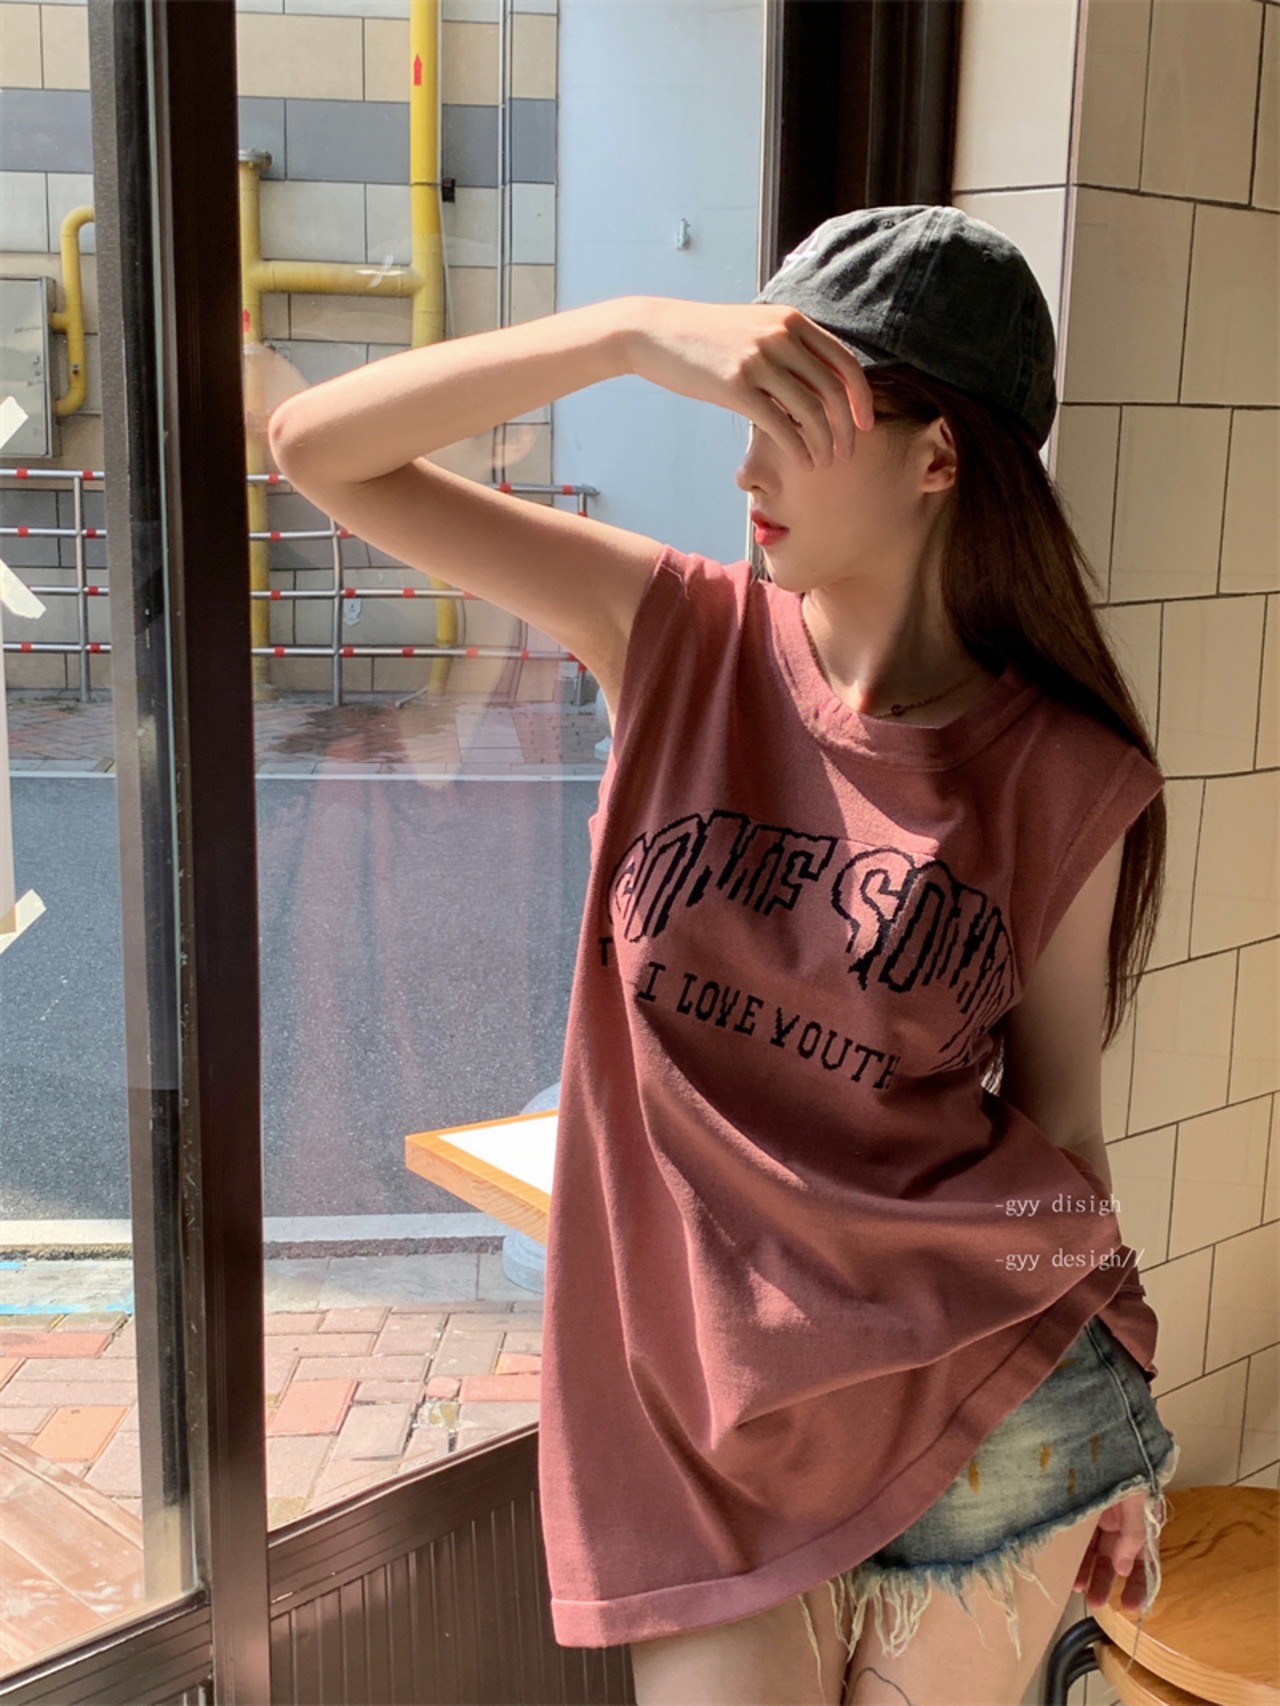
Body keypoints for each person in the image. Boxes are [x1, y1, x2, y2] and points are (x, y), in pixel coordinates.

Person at [268, 204, 1180, 1706]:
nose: (743, 471)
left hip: (988, 1412)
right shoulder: (673, 634)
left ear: (938, 459)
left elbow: (1061, 1130)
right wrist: (628, 332)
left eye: (788, 422)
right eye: (741, 415)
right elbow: (319, 449)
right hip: (698, 1435)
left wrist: (1114, 1404)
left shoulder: (1065, 776)